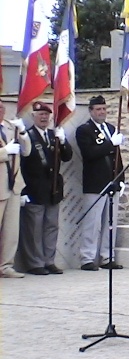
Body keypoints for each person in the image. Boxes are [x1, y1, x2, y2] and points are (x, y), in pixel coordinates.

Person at [18, 102, 73, 275]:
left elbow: (67, 156)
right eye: (40, 114)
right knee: (34, 229)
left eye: (46, 115)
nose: (44, 117)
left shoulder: (53, 135)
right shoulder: (27, 136)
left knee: (51, 227)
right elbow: (21, 165)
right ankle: (35, 263)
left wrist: (63, 141)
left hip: (53, 189)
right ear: (33, 116)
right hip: (34, 189)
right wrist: (23, 191)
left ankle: (49, 261)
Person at [75, 95, 125, 271]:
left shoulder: (111, 128)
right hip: (95, 183)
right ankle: (87, 257)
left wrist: (121, 178)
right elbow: (90, 153)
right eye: (98, 109)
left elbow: (117, 157)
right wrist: (110, 143)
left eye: (104, 109)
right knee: (92, 223)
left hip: (112, 182)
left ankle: (107, 256)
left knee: (110, 223)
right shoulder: (84, 130)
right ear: (91, 111)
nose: (102, 112)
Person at [0, 99, 31, 278]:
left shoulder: (11, 127)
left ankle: (6, 266)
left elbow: (26, 151)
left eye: (2, 108)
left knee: (11, 231)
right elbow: (9, 152)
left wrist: (24, 132)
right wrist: (5, 152)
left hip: (13, 185)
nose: (1, 111)